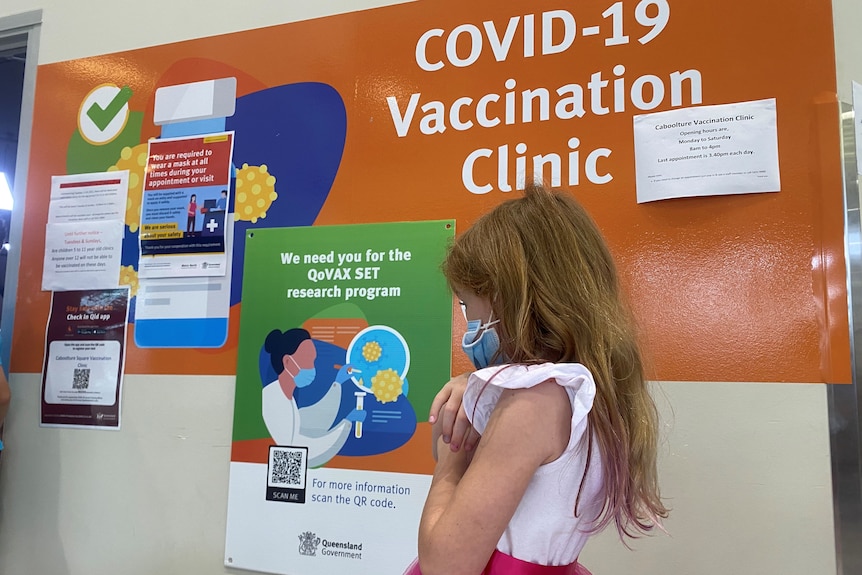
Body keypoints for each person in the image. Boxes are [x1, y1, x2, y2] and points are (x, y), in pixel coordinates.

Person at [410, 184, 668, 575]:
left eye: (467, 304)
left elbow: (444, 565)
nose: (469, 323)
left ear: (511, 297)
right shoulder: (584, 391)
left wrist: (452, 455)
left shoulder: (532, 404)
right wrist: (482, 391)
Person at [261, 328, 365, 468]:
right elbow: (301, 453)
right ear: (287, 362)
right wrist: (346, 424)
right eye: (307, 359)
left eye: (313, 360)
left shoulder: (284, 395)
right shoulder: (273, 402)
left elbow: (308, 420)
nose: (312, 367)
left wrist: (338, 383)